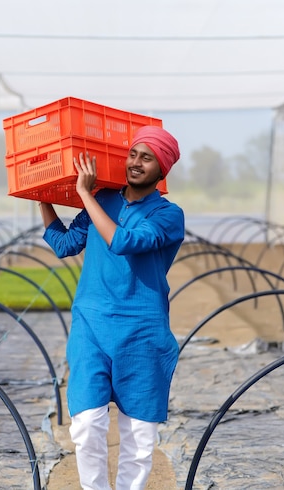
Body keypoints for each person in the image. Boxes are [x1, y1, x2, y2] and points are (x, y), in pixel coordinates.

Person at [38, 125, 185, 490]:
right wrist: (42, 196)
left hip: (142, 331)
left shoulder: (168, 215)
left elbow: (124, 241)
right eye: (133, 154)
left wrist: (85, 195)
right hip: (92, 325)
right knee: (87, 425)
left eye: (146, 158)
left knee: (138, 438)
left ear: (161, 170)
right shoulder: (104, 199)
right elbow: (65, 244)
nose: (135, 163)